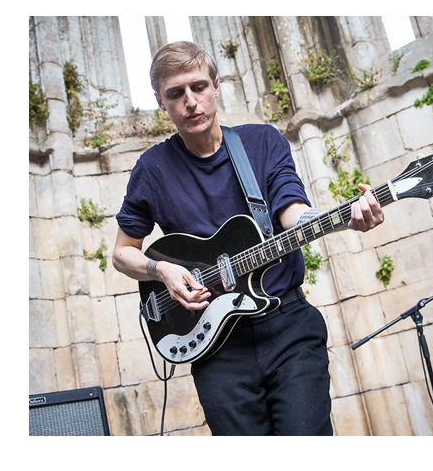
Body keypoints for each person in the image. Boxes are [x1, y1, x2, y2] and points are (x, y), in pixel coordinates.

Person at [111, 41, 384, 435]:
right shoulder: (152, 169)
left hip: (288, 326)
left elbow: (294, 214)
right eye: (176, 93)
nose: (191, 101)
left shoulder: (262, 142)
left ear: (216, 86)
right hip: (217, 347)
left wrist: (344, 217)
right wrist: (161, 270)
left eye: (199, 87)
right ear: (161, 102)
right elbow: (122, 254)